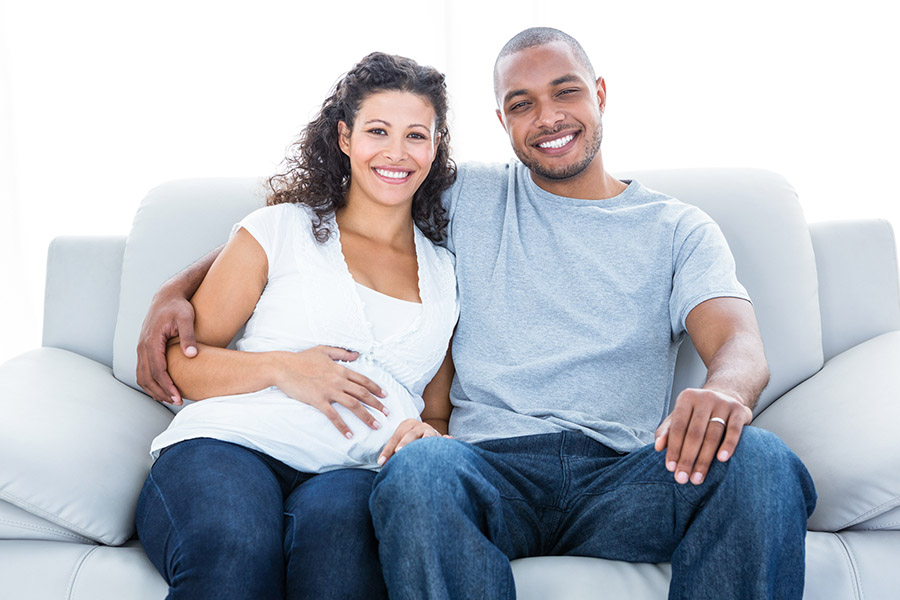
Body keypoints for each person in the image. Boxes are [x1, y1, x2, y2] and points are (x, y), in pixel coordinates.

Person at [138, 28, 817, 599]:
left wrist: (725, 388)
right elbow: (332, 221)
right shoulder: (470, 198)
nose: (547, 116)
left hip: (625, 472)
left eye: (566, 91)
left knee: (760, 461)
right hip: (488, 469)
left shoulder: (678, 228)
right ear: (502, 122)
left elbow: (738, 341)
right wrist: (178, 287)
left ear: (601, 94)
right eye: (522, 103)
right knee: (420, 473)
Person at [134, 52, 459, 600]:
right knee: (234, 554)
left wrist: (432, 439)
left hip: (358, 473)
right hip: (232, 447)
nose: (397, 153)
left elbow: (437, 411)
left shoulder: (447, 273)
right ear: (345, 137)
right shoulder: (279, 230)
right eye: (377, 130)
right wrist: (284, 368)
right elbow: (181, 368)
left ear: (436, 146)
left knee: (341, 572)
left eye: (417, 136)